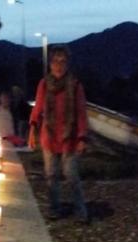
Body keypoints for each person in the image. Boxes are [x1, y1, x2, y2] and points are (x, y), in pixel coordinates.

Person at [28, 44, 90, 223]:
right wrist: (32, 129)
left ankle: (81, 211)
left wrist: (82, 137)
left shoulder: (75, 85)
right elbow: (38, 108)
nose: (59, 65)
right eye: (55, 61)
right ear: (50, 64)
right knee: (51, 176)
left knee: (71, 175)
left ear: (68, 63)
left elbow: (81, 112)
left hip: (69, 138)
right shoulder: (44, 84)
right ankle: (54, 208)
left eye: (63, 61)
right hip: (49, 137)